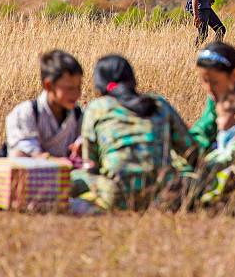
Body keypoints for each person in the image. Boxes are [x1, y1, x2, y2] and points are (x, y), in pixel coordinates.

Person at [70, 55, 198, 212]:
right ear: (133, 80)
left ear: (98, 86)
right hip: (166, 195)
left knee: (72, 177)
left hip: (115, 196)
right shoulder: (158, 103)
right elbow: (191, 151)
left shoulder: (96, 108)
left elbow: (90, 165)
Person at [5, 50, 83, 159]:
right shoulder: (27, 112)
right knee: (19, 153)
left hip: (67, 172)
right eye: (69, 88)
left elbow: (84, 138)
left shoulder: (78, 115)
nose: (76, 94)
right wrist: (44, 158)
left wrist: (80, 146)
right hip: (34, 171)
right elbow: (24, 146)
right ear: (49, 86)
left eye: (79, 87)